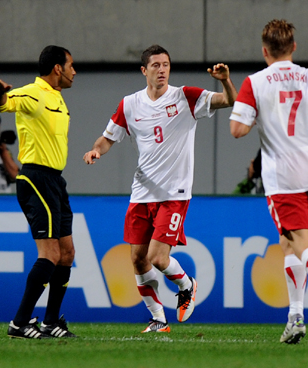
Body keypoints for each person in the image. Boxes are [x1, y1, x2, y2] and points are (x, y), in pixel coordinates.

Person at [83, 44, 237, 333]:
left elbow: (230, 101)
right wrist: (96, 151)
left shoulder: (185, 97)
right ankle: (158, 319)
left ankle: (187, 284)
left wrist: (226, 80)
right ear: (144, 70)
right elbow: (107, 137)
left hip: (174, 193)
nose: (162, 70)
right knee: (138, 260)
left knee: (157, 258)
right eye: (155, 65)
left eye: (166, 64)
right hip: (142, 192)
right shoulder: (129, 104)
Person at [229, 19, 308, 345]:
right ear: (293, 47)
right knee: (290, 244)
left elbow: (237, 130)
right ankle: (295, 316)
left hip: (282, 176)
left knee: (301, 243)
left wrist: (256, 115)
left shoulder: (255, 82)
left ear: (264, 51)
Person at [0, 45, 77, 338]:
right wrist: (0, 93)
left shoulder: (58, 99)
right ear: (57, 68)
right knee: (49, 253)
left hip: (55, 181)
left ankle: (50, 321)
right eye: (71, 65)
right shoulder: (33, 93)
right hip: (35, 178)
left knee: (66, 253)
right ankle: (20, 322)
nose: (74, 71)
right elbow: (5, 103)